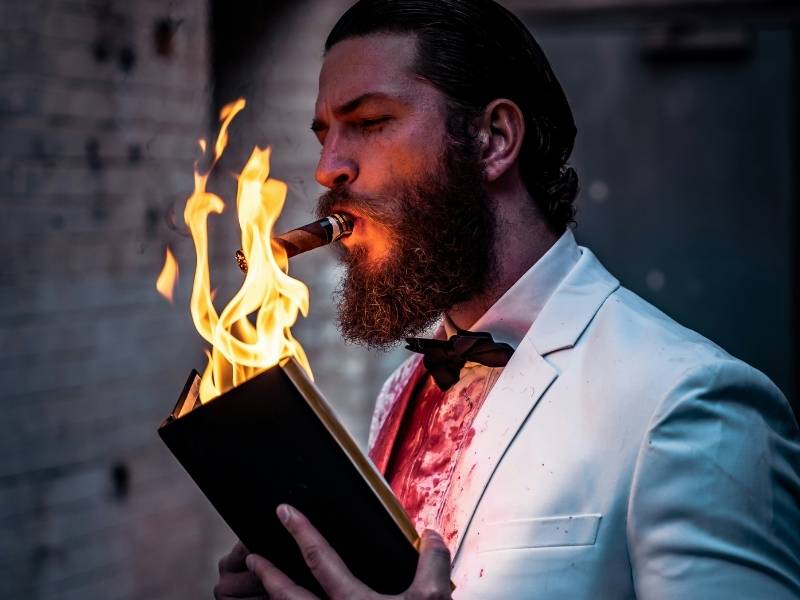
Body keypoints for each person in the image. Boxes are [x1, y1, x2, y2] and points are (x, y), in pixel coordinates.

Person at [214, 0, 800, 598]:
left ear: (493, 140)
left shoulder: (692, 402)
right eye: (324, 135)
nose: (327, 168)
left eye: (367, 123)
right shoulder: (404, 389)